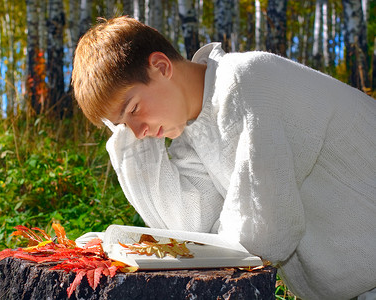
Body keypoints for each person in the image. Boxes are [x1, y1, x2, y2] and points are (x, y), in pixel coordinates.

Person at [72, 16, 376, 300]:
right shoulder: (195, 127)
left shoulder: (248, 82)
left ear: (161, 66)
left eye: (134, 108)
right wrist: (132, 143)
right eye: (123, 125)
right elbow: (191, 231)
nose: (137, 132)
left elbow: (262, 238)